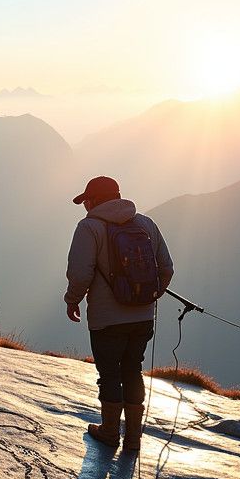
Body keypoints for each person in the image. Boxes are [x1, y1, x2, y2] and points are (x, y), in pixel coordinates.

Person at [64, 176, 173, 452]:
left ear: (95, 200)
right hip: (143, 317)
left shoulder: (89, 227)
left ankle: (110, 431)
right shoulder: (146, 224)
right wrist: (150, 295)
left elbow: (80, 273)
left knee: (110, 373)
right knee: (133, 369)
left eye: (86, 200)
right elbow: (167, 268)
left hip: (107, 318)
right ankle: (134, 439)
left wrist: (72, 300)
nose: (85, 206)